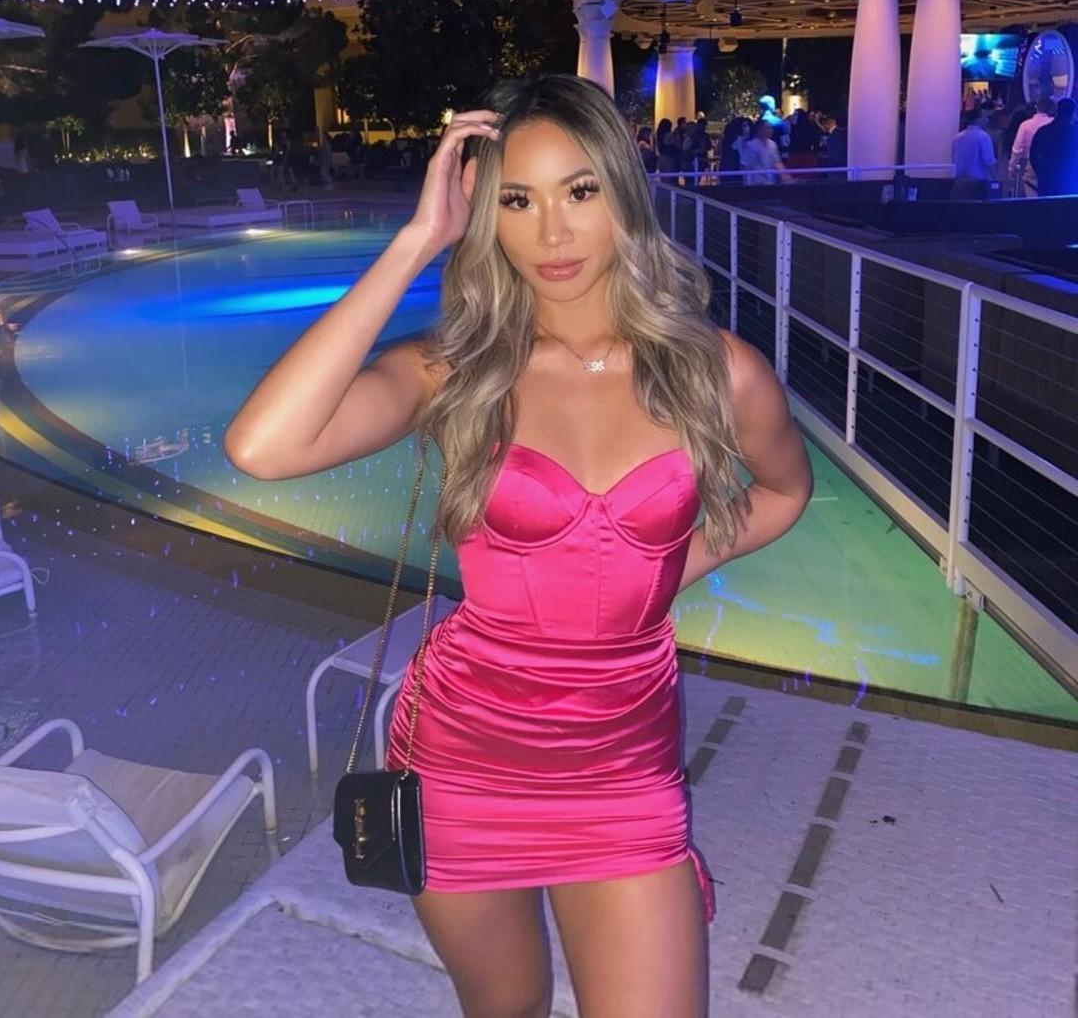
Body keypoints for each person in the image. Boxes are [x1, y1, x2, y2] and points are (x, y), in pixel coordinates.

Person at [224, 74, 812, 1018]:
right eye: (517, 200)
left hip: (623, 770)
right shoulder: (456, 372)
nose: (553, 233)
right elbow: (263, 447)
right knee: (508, 1009)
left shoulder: (716, 372)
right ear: (483, 215)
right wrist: (419, 239)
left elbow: (783, 491)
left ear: (623, 192)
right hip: (464, 758)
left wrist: (672, 567)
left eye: (579, 191)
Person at [1029, 97, 1078, 197]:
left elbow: (1033, 156)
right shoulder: (1075, 132)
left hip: (1047, 181)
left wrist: (1041, 173)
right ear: (1073, 112)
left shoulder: (1043, 131)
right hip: (1070, 181)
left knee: (1046, 206)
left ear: (1057, 110)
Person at [1008, 95, 1055, 197]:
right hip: (1051, 166)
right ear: (1052, 108)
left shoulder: (1025, 125)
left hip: (1029, 166)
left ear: (1036, 107)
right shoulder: (1053, 123)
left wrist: (1011, 169)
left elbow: (1017, 150)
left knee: (1031, 197)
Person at [950, 107, 998, 199]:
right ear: (978, 119)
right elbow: (989, 161)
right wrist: (996, 178)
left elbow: (953, 159)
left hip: (958, 183)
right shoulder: (983, 136)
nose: (986, 120)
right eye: (984, 117)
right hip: (978, 184)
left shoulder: (956, 138)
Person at [739, 118, 788, 185]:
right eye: (768, 128)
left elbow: (777, 163)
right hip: (756, 184)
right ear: (760, 129)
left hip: (771, 183)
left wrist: (786, 178)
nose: (771, 130)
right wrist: (747, 185)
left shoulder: (773, 144)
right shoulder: (750, 145)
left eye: (770, 128)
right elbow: (745, 166)